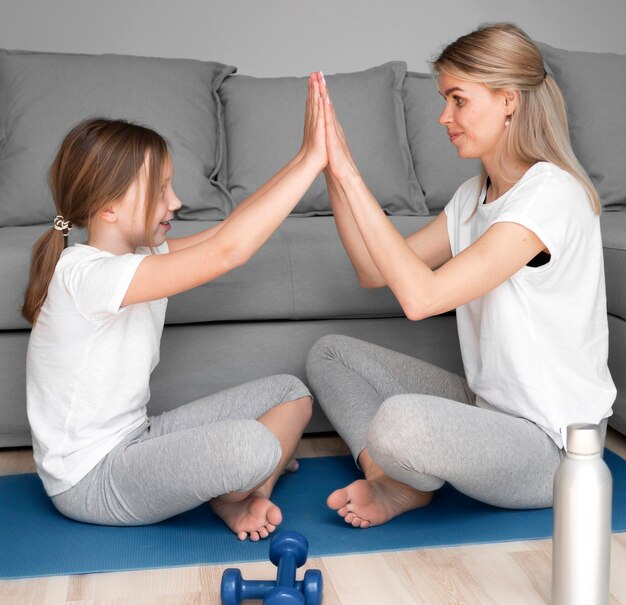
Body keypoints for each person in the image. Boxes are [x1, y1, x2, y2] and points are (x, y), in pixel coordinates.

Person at [305, 23, 616, 528]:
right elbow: (371, 268)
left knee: (400, 423)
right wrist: (329, 165)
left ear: (508, 100)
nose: (443, 117)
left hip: (549, 448)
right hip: (485, 408)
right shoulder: (474, 198)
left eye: (458, 99)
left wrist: (348, 174)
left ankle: (402, 475)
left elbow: (420, 297)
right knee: (331, 355)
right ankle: (392, 478)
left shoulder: (551, 195)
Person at [23, 73, 328, 540]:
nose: (177, 202)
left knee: (291, 394)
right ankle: (239, 487)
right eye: (161, 189)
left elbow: (231, 231)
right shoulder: (83, 273)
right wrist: (314, 163)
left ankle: (246, 497)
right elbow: (230, 251)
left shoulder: (141, 259)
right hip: (91, 481)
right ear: (108, 206)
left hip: (137, 439)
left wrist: (305, 158)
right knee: (254, 445)